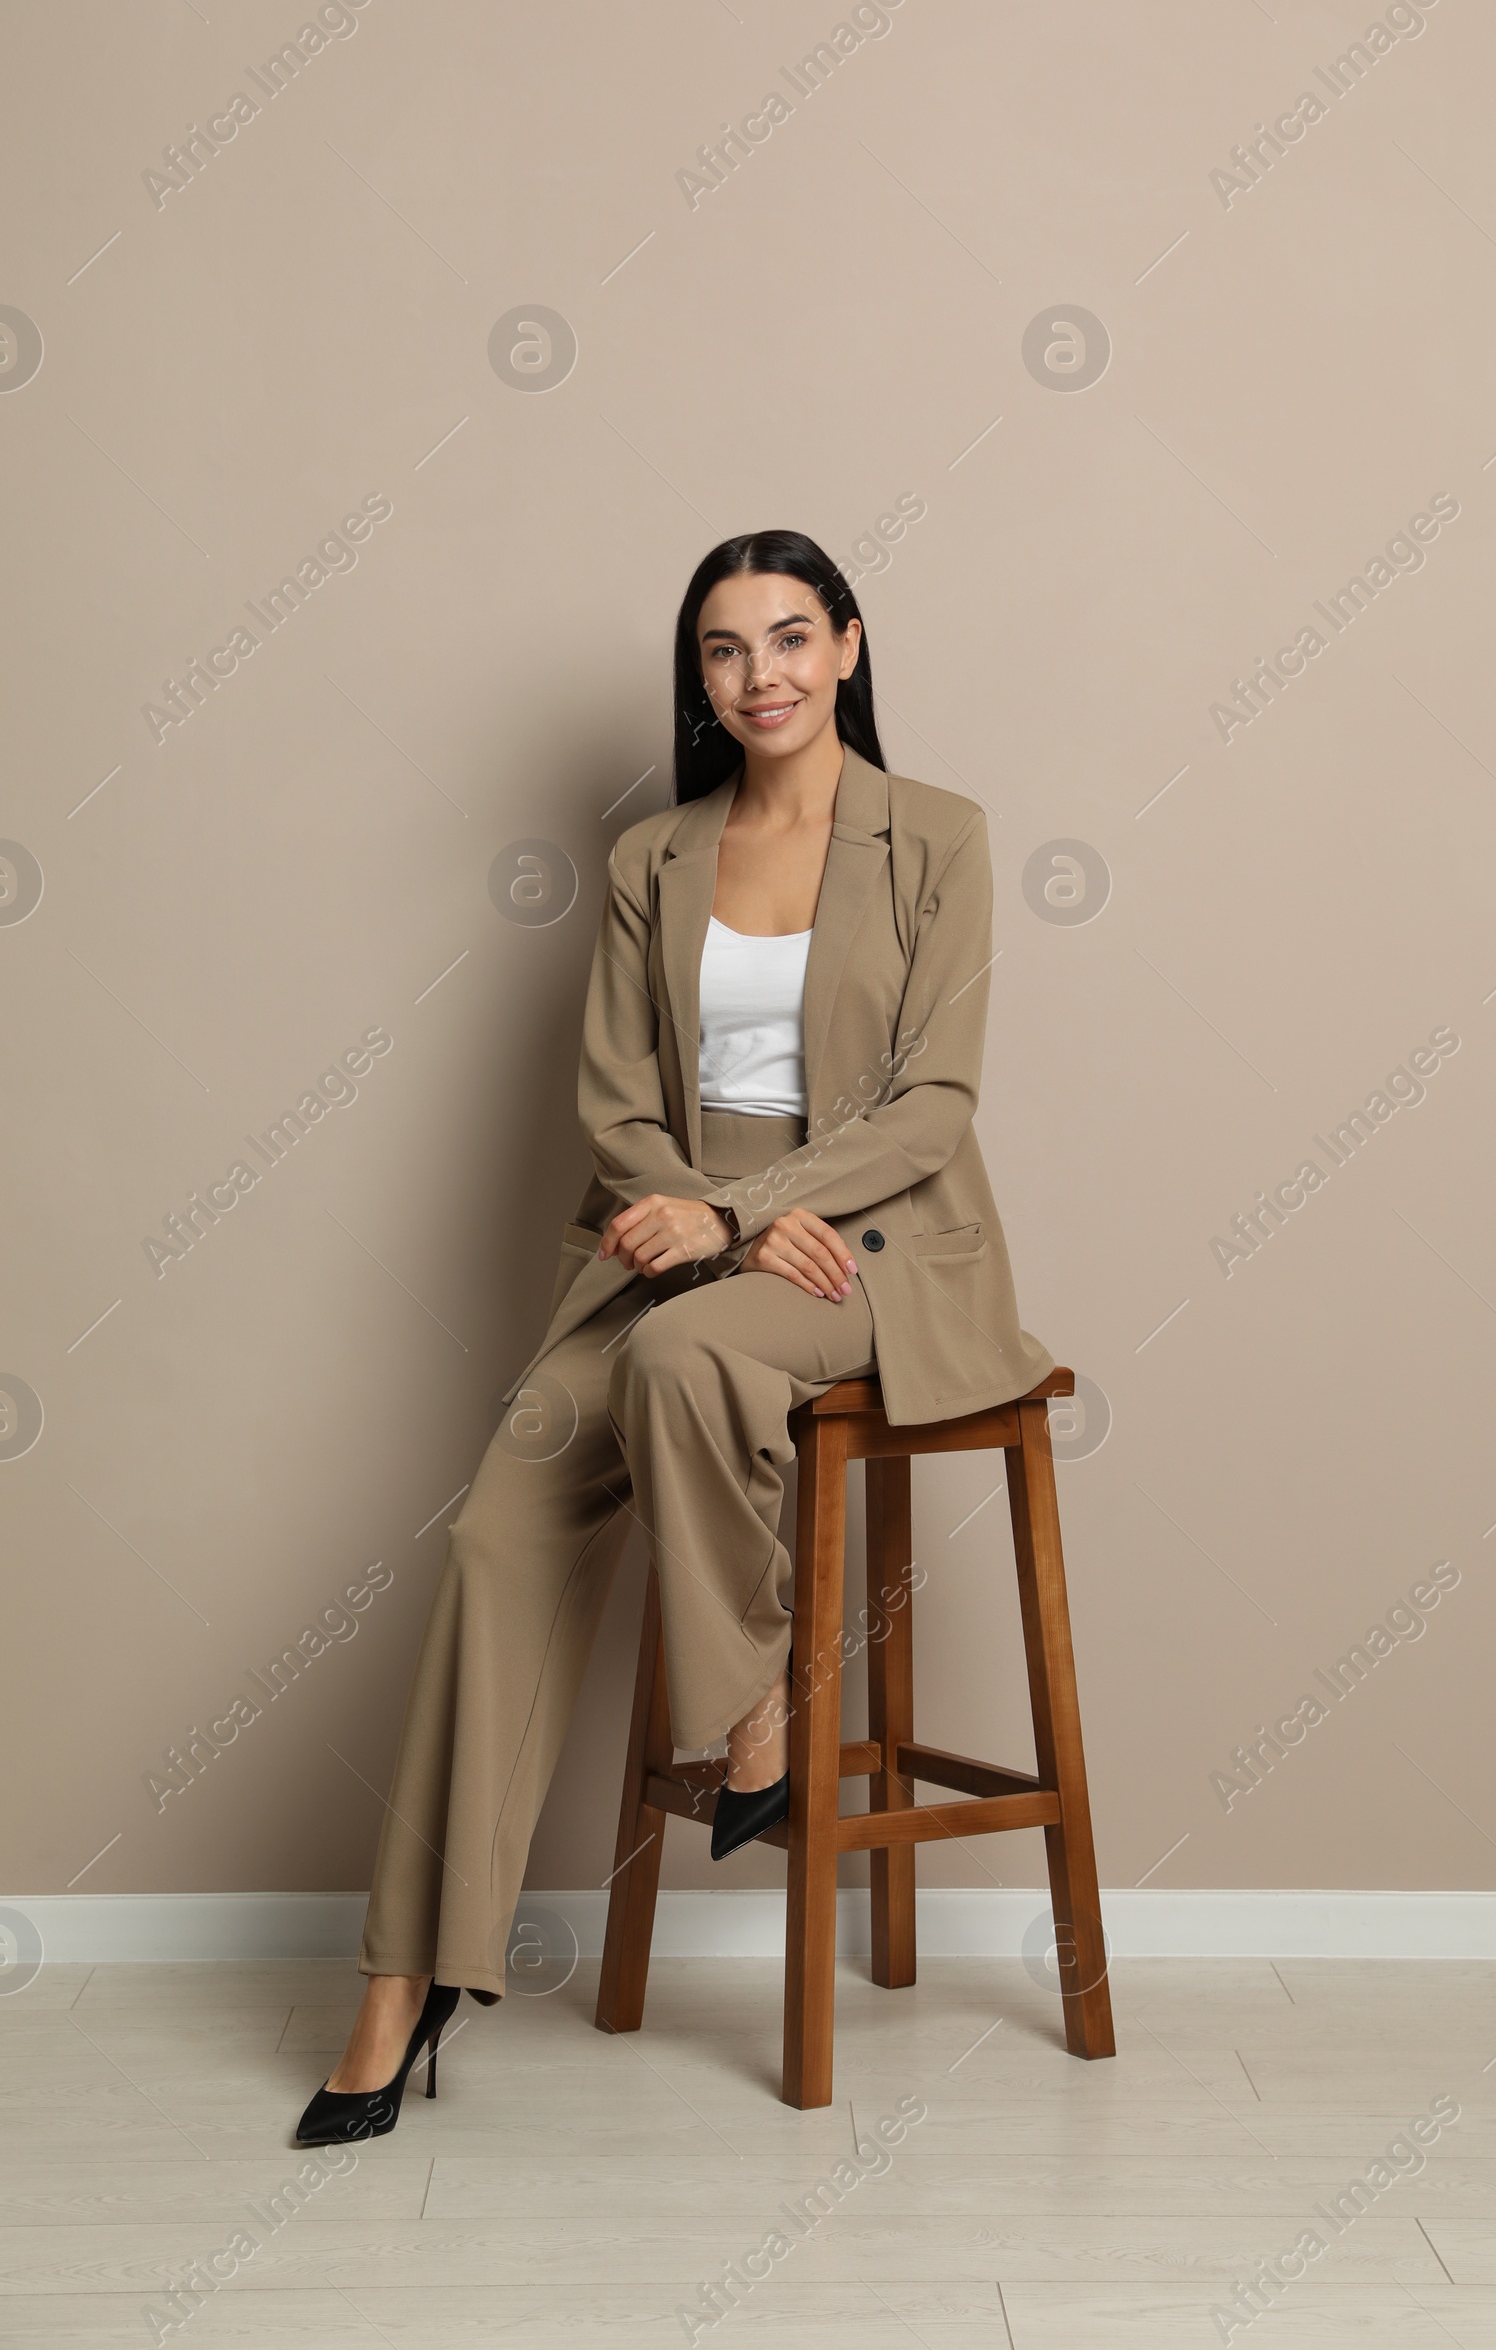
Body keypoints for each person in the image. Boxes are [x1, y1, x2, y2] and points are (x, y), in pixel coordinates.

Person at [296, 528, 1053, 2143]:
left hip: (867, 1251)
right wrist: (701, 1213)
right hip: (679, 1240)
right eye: (724, 649)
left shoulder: (943, 838)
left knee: (686, 1357)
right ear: (698, 677)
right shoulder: (655, 856)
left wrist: (761, 1205)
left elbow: (936, 1096)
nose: (760, 674)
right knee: (497, 1522)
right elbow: (613, 1100)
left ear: (849, 647)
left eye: (790, 637)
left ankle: (761, 1705)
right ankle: (409, 1972)